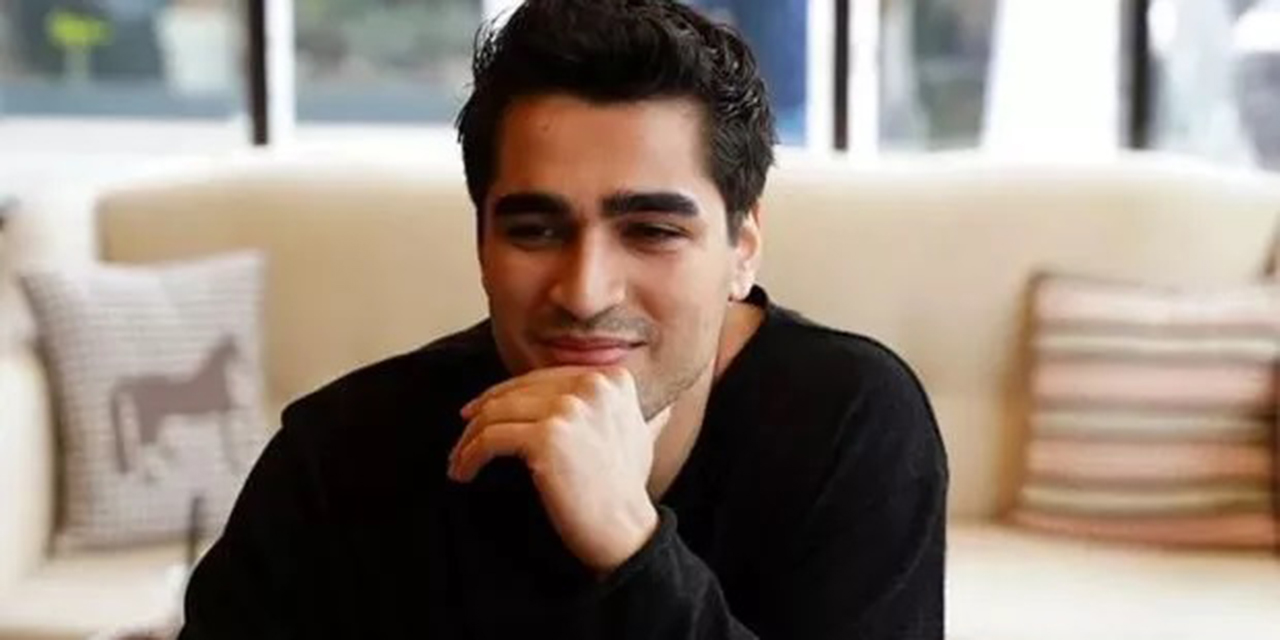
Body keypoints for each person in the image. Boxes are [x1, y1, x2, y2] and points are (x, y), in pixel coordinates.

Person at [177, 1, 948, 638]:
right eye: (536, 230)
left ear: (741, 249)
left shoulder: (850, 422)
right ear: (481, 243)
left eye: (652, 230)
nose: (583, 293)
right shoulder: (340, 455)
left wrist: (630, 542)